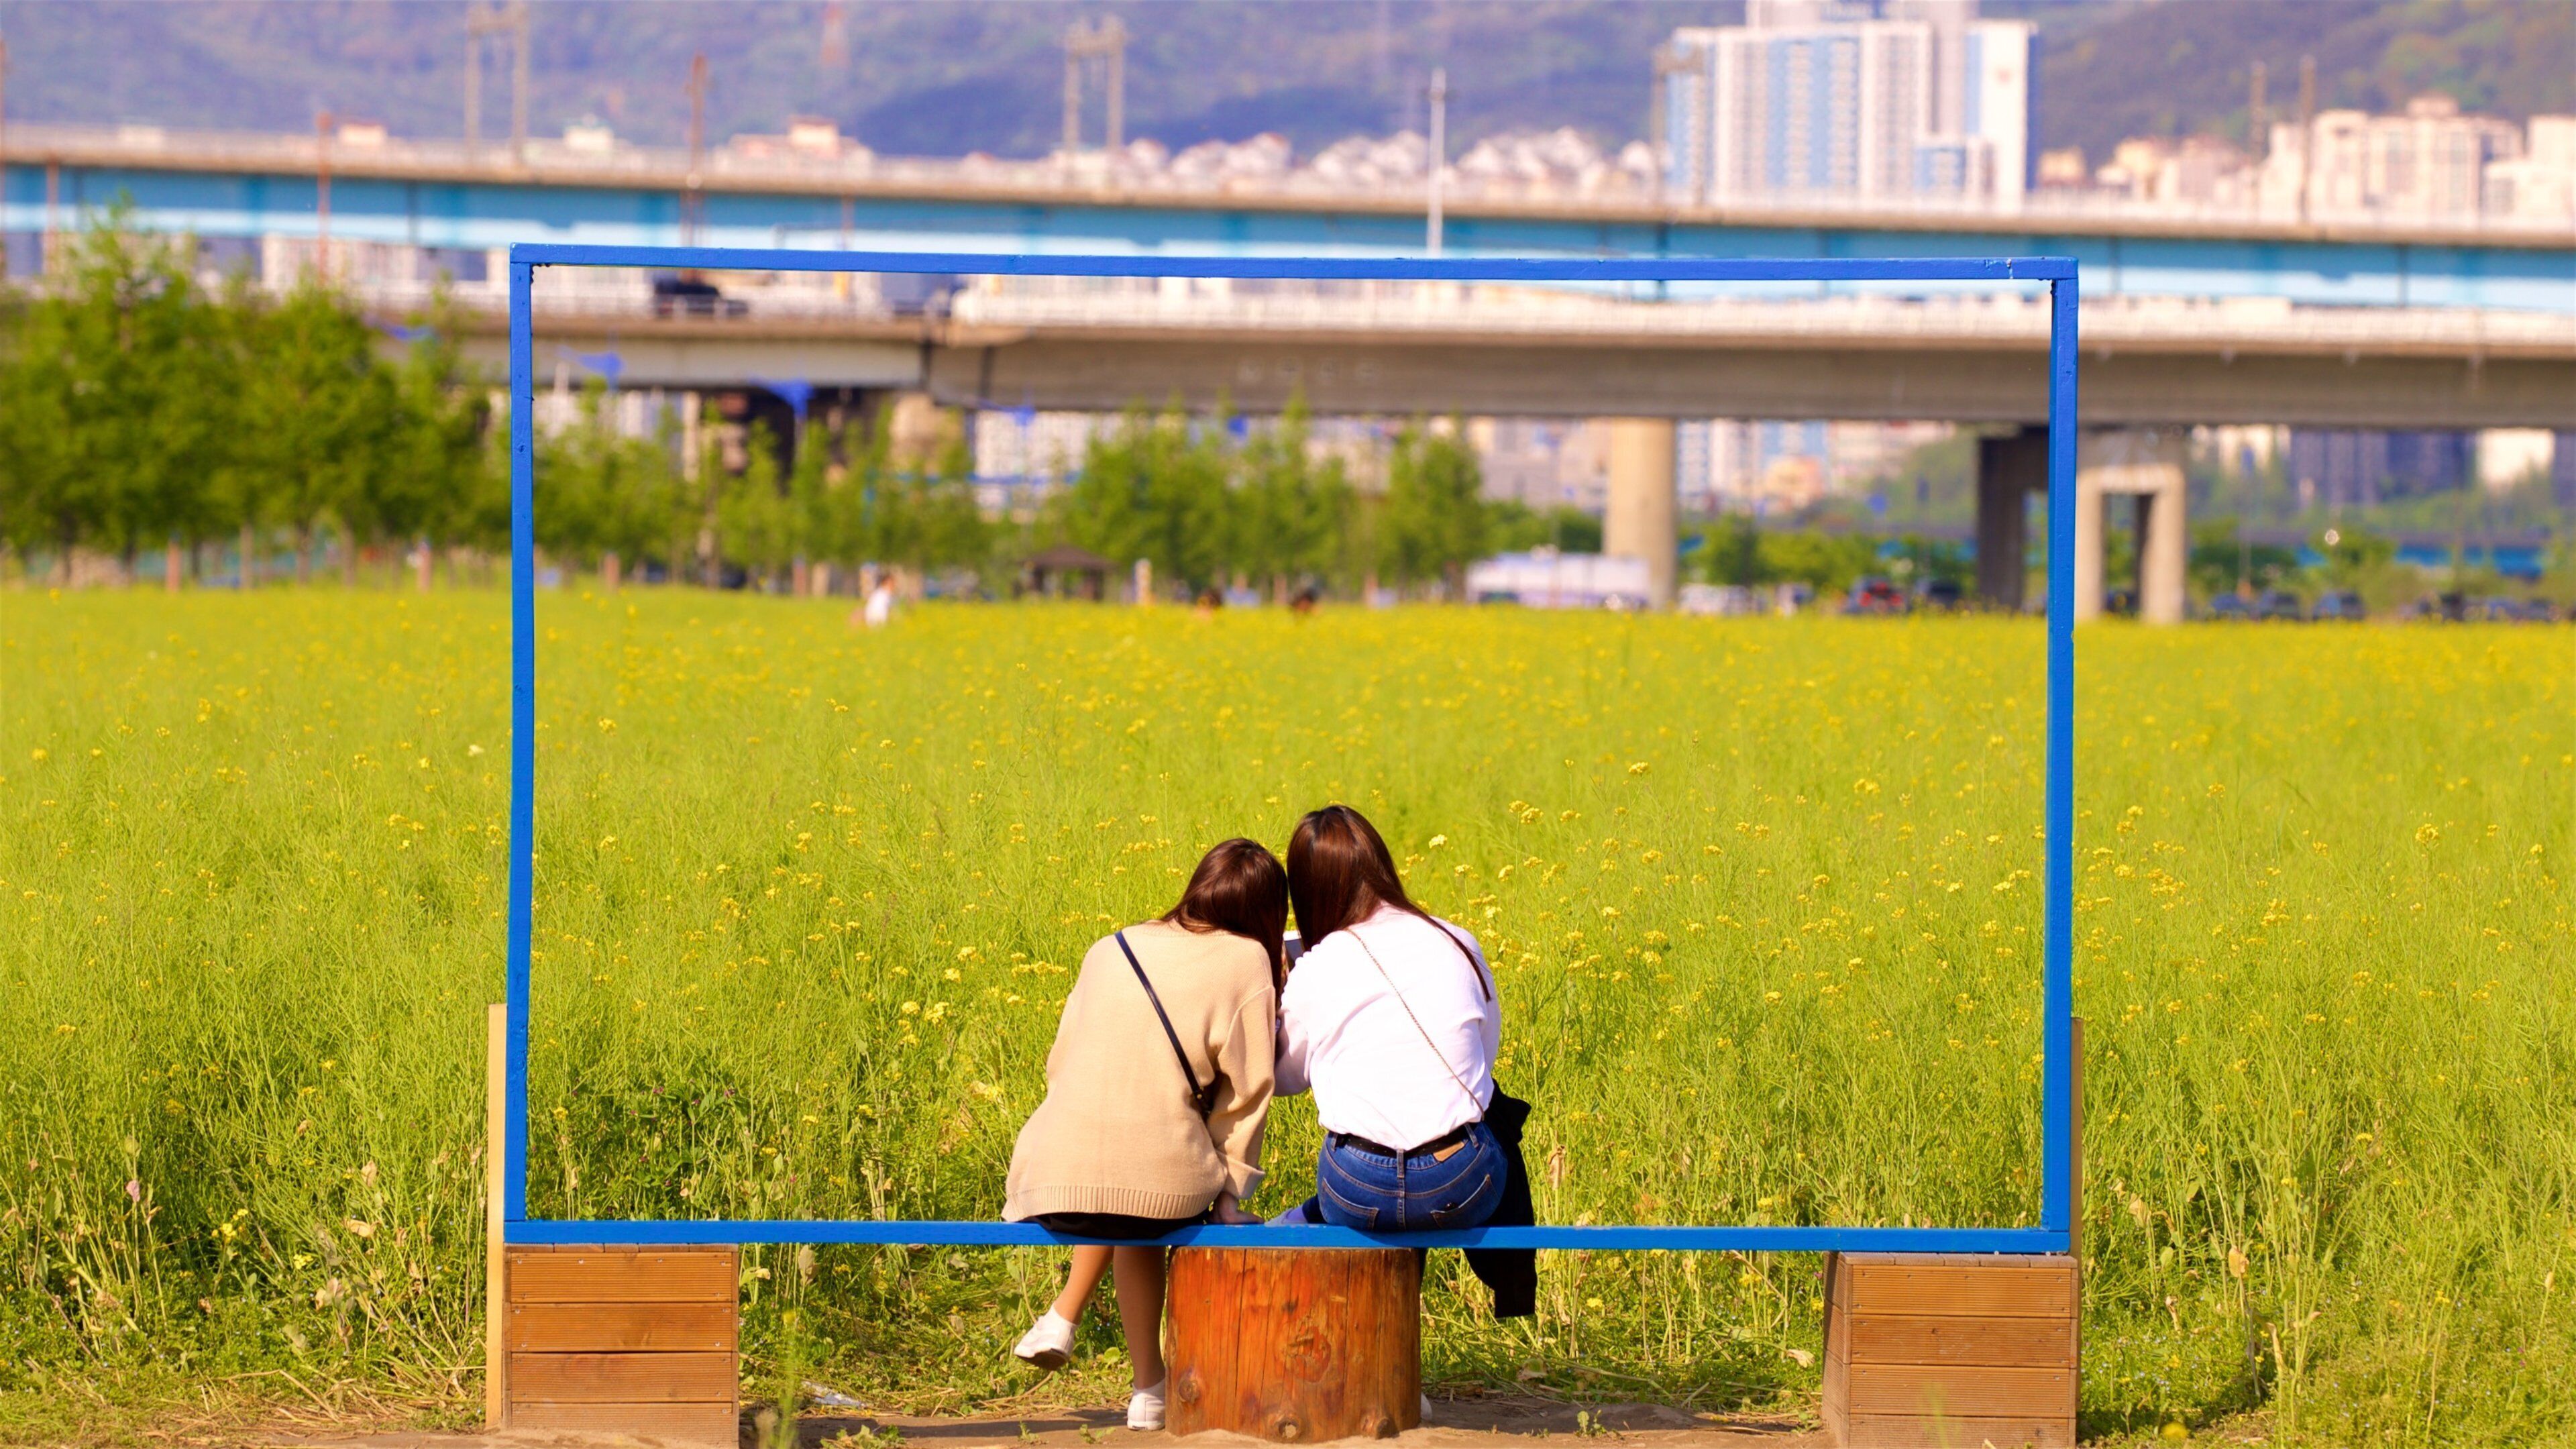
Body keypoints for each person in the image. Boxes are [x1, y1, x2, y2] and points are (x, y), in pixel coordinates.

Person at [1004, 839, 1287, 1430]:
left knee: (1124, 1188)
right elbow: (1250, 1092)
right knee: (1145, 1189)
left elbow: (1061, 1063)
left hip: (1053, 1177)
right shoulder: (1247, 961)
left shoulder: (1110, 948)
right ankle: (1142, 1385)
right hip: (1156, 1192)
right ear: (1267, 910)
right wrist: (1233, 1191)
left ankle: (1108, 1352)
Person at [1271, 805, 1506, 1233]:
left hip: (1356, 1186)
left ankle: (1302, 1222)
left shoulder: (1319, 966)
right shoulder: (1458, 941)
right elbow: (1483, 1059)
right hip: (1463, 1180)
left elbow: (1284, 1079)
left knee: (1360, 1204)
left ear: (1308, 892)